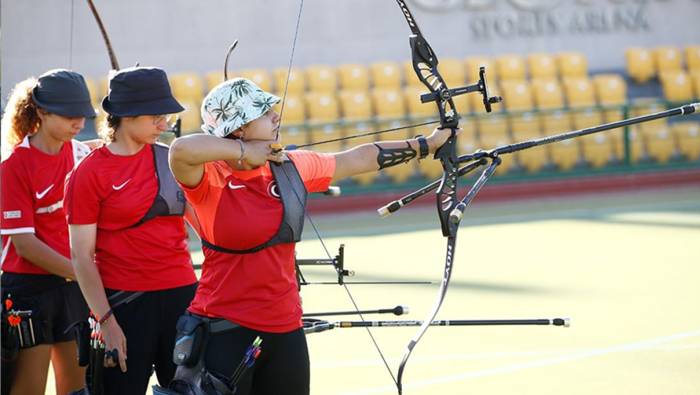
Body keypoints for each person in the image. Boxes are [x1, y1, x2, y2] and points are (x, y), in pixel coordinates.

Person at [164, 77, 454, 395]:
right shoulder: (210, 177)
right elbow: (181, 150)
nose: (275, 116)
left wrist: (428, 144)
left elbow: (356, 159)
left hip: (285, 326)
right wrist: (245, 152)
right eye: (263, 111)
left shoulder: (288, 167)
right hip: (223, 327)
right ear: (240, 127)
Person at [64, 66, 198, 395]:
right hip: (124, 306)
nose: (164, 124)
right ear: (126, 114)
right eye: (155, 116)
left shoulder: (173, 161)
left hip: (182, 299)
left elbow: (209, 230)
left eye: (164, 116)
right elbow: (81, 256)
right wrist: (107, 321)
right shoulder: (89, 172)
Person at [0, 69, 95, 395]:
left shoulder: (81, 155)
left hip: (72, 287)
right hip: (29, 289)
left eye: (82, 115)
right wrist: (84, 273)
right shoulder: (15, 165)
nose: (78, 123)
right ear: (41, 111)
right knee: (29, 387)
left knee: (76, 388)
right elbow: (25, 245)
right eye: (69, 115)